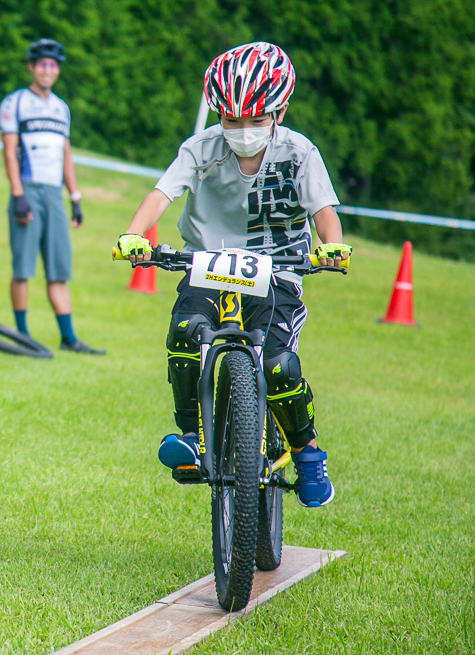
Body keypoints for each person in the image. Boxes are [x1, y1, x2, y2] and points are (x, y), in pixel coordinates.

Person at [116, 41, 351, 507]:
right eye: (231, 121)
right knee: (185, 332)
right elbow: (162, 193)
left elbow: (322, 209)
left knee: (278, 365)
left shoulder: (300, 152)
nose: (242, 131)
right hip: (207, 262)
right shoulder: (201, 148)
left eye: (255, 120)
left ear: (279, 110)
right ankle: (191, 435)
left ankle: (307, 453)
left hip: (278, 270)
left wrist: (331, 246)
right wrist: (133, 235)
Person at [0, 38, 104, 355]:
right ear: (31, 67)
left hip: (54, 193)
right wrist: (18, 194)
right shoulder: (14, 103)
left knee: (59, 269)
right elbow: (8, 150)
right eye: (42, 64)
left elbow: (65, 155)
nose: (48, 70)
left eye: (53, 65)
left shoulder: (61, 108)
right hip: (28, 188)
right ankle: (22, 335)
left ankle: (69, 338)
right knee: (23, 269)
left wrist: (74, 196)